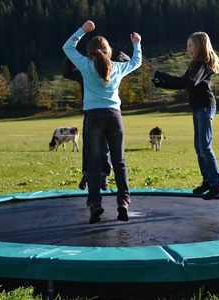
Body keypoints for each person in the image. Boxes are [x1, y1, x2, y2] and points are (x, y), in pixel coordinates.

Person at [63, 20, 142, 223]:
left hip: (93, 117)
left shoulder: (85, 65)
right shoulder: (117, 67)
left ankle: (95, 205)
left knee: (94, 163)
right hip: (114, 117)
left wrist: (82, 30)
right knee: (120, 162)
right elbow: (136, 62)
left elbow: (67, 47)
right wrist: (136, 43)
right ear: (109, 51)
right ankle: (123, 203)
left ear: (90, 53)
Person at [152, 31, 219, 200]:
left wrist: (163, 75)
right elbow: (183, 84)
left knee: (205, 146)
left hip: (205, 107)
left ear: (199, 46)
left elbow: (189, 82)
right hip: (198, 108)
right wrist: (161, 83)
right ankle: (208, 181)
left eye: (190, 46)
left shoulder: (202, 63)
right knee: (199, 147)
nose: (188, 49)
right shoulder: (195, 64)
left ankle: (217, 183)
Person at [63, 51, 131, 191]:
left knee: (98, 147)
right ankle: (89, 175)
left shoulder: (92, 69)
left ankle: (103, 176)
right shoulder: (86, 70)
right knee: (93, 147)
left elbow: (67, 73)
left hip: (95, 113)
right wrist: (71, 57)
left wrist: (73, 55)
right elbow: (129, 64)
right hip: (100, 113)